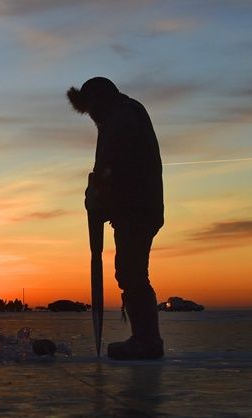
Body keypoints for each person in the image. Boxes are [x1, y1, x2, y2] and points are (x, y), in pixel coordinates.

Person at [67, 77, 164, 360]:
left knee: (132, 271)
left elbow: (119, 167)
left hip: (138, 209)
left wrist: (101, 194)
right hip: (133, 208)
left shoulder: (122, 118)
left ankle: (147, 340)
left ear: (100, 100)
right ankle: (144, 337)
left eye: (92, 109)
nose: (91, 116)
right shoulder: (116, 117)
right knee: (128, 270)